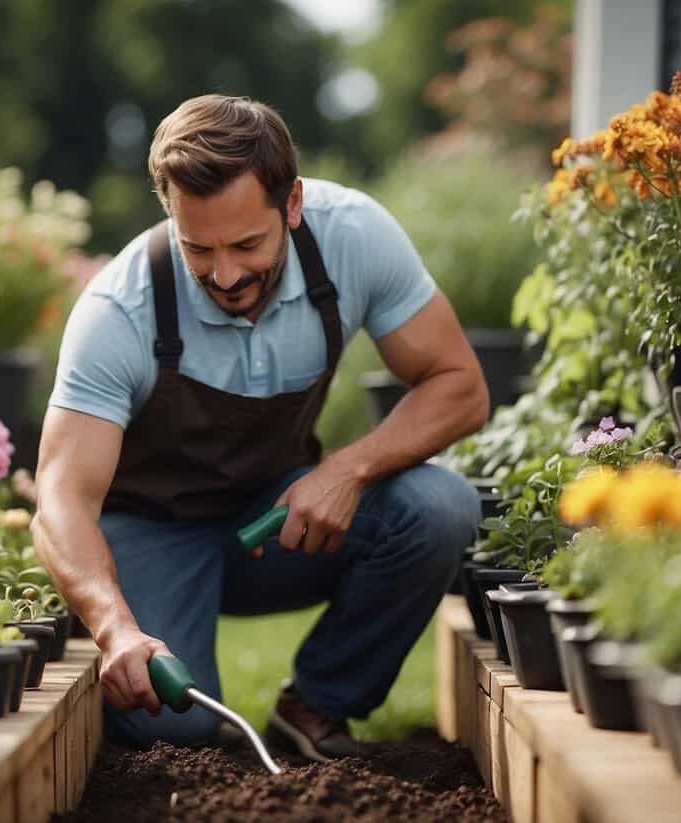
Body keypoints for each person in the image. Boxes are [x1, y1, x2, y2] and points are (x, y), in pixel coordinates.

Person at [31, 94, 488, 760]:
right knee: (173, 726)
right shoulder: (119, 309)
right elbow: (60, 498)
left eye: (248, 244)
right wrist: (114, 627)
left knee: (441, 507)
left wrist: (346, 469)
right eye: (199, 249)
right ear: (170, 214)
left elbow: (462, 387)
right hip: (153, 535)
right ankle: (151, 642)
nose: (225, 273)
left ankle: (317, 701)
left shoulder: (353, 238)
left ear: (293, 203)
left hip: (275, 524)